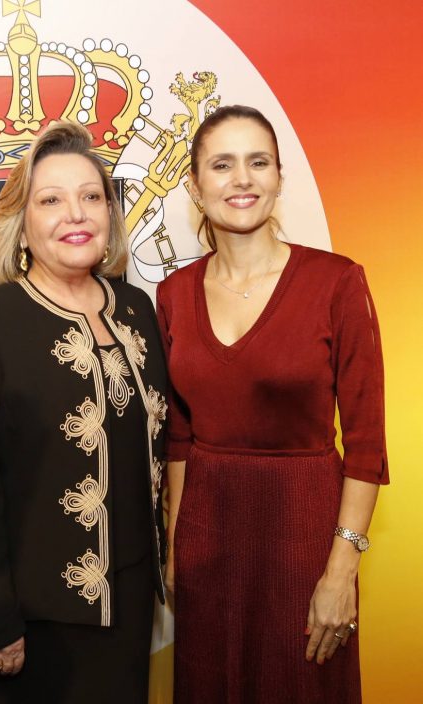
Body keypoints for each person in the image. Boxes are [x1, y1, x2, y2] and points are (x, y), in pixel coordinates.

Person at [156, 105, 388, 704]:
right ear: (194, 185)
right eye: (222, 164)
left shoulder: (338, 282)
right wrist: (179, 542)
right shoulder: (174, 294)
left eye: (258, 162)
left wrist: (342, 571)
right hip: (208, 539)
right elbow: (178, 437)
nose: (242, 179)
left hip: (305, 535)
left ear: (279, 177)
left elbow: (365, 447)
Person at [0, 121, 168, 703]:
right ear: (22, 223)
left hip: (127, 615)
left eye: (91, 196)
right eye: (51, 200)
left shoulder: (136, 308)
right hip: (24, 629)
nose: (76, 214)